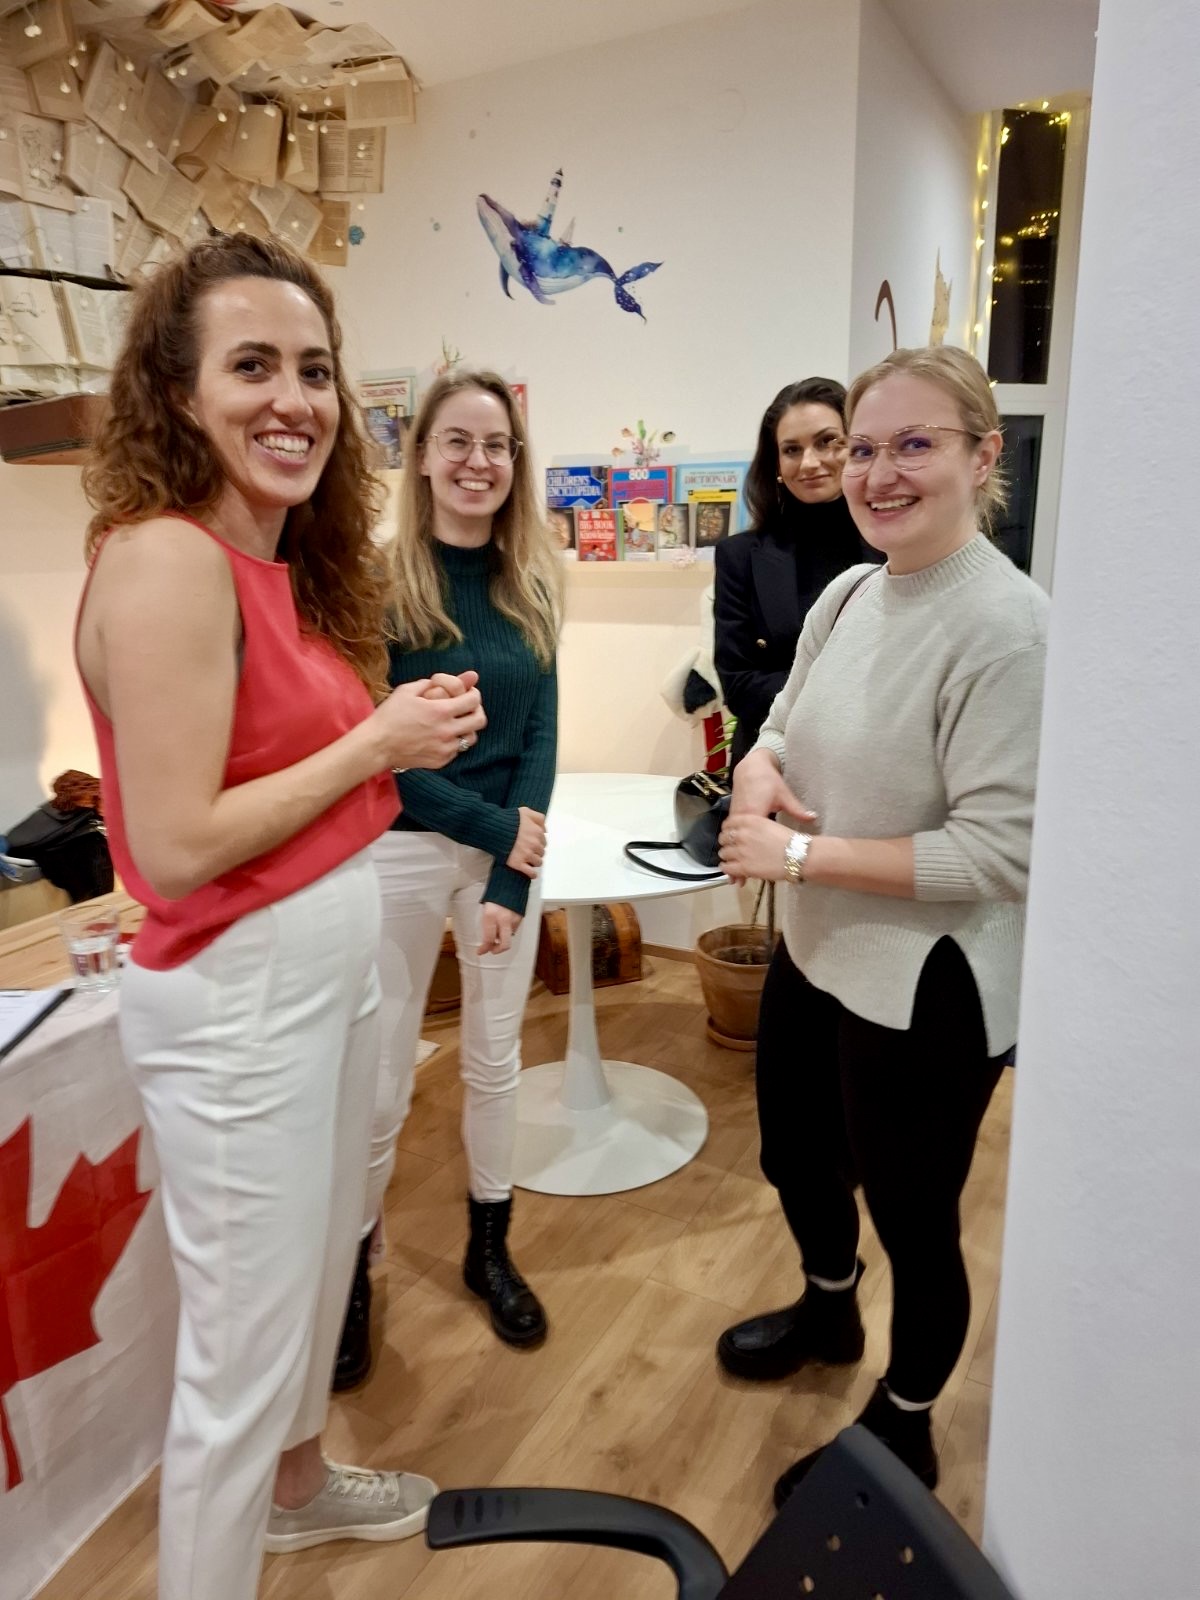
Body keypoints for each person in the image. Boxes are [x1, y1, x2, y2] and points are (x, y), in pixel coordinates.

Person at [74, 235, 487, 1599]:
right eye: (251, 365)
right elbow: (176, 848)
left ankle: (297, 1493)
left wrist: (386, 742)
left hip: (321, 969)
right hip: (239, 993)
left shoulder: (276, 561)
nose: (293, 400)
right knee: (238, 1365)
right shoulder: (167, 559)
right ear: (176, 391)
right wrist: (379, 744)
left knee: (315, 1276)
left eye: (314, 368)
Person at [715, 346, 1048, 1503]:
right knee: (796, 1157)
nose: (876, 472)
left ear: (983, 457)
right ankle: (828, 1307)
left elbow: (999, 855)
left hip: (930, 979)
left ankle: (905, 1426)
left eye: (915, 444)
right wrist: (757, 772)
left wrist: (799, 855)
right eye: (864, 447)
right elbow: (781, 727)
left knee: (914, 1216)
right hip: (819, 946)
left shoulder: (1011, 628)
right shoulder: (853, 594)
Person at [334, 369, 561, 1384]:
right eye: (459, 441)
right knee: (381, 1081)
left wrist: (510, 877)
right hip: (402, 846)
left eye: (498, 445)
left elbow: (541, 736)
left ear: (516, 463)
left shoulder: (532, 582)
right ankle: (350, 1275)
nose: (479, 461)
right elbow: (376, 751)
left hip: (501, 859)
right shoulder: (375, 586)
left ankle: (488, 1247)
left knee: (495, 1062)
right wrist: (490, 829)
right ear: (421, 455)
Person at [714, 378, 875, 767]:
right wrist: (855, 692)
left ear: (857, 446)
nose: (809, 462)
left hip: (878, 764)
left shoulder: (897, 545)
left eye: (827, 441)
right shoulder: (740, 556)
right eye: (791, 450)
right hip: (772, 767)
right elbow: (740, 685)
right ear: (776, 464)